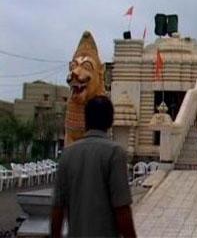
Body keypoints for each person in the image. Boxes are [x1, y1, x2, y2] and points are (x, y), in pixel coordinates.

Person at [51, 95, 136, 238]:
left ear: (86, 120)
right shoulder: (114, 153)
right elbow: (122, 209)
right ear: (110, 122)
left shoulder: (67, 154)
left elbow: (57, 209)